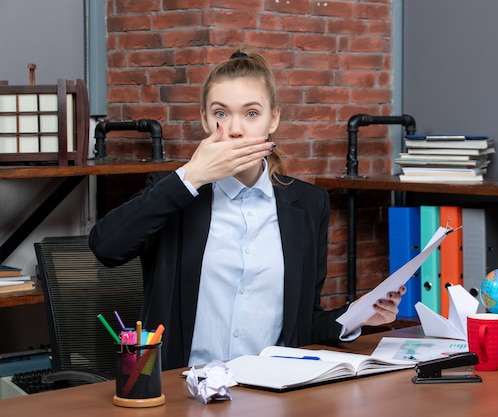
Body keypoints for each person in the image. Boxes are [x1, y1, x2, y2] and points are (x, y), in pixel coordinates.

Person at [89, 47, 406, 371]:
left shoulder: (308, 205)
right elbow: (106, 247)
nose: (236, 129)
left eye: (251, 113)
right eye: (221, 113)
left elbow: (302, 324)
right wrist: (193, 175)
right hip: (185, 391)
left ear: (274, 119)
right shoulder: (174, 193)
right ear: (204, 119)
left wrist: (356, 316)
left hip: (274, 391)